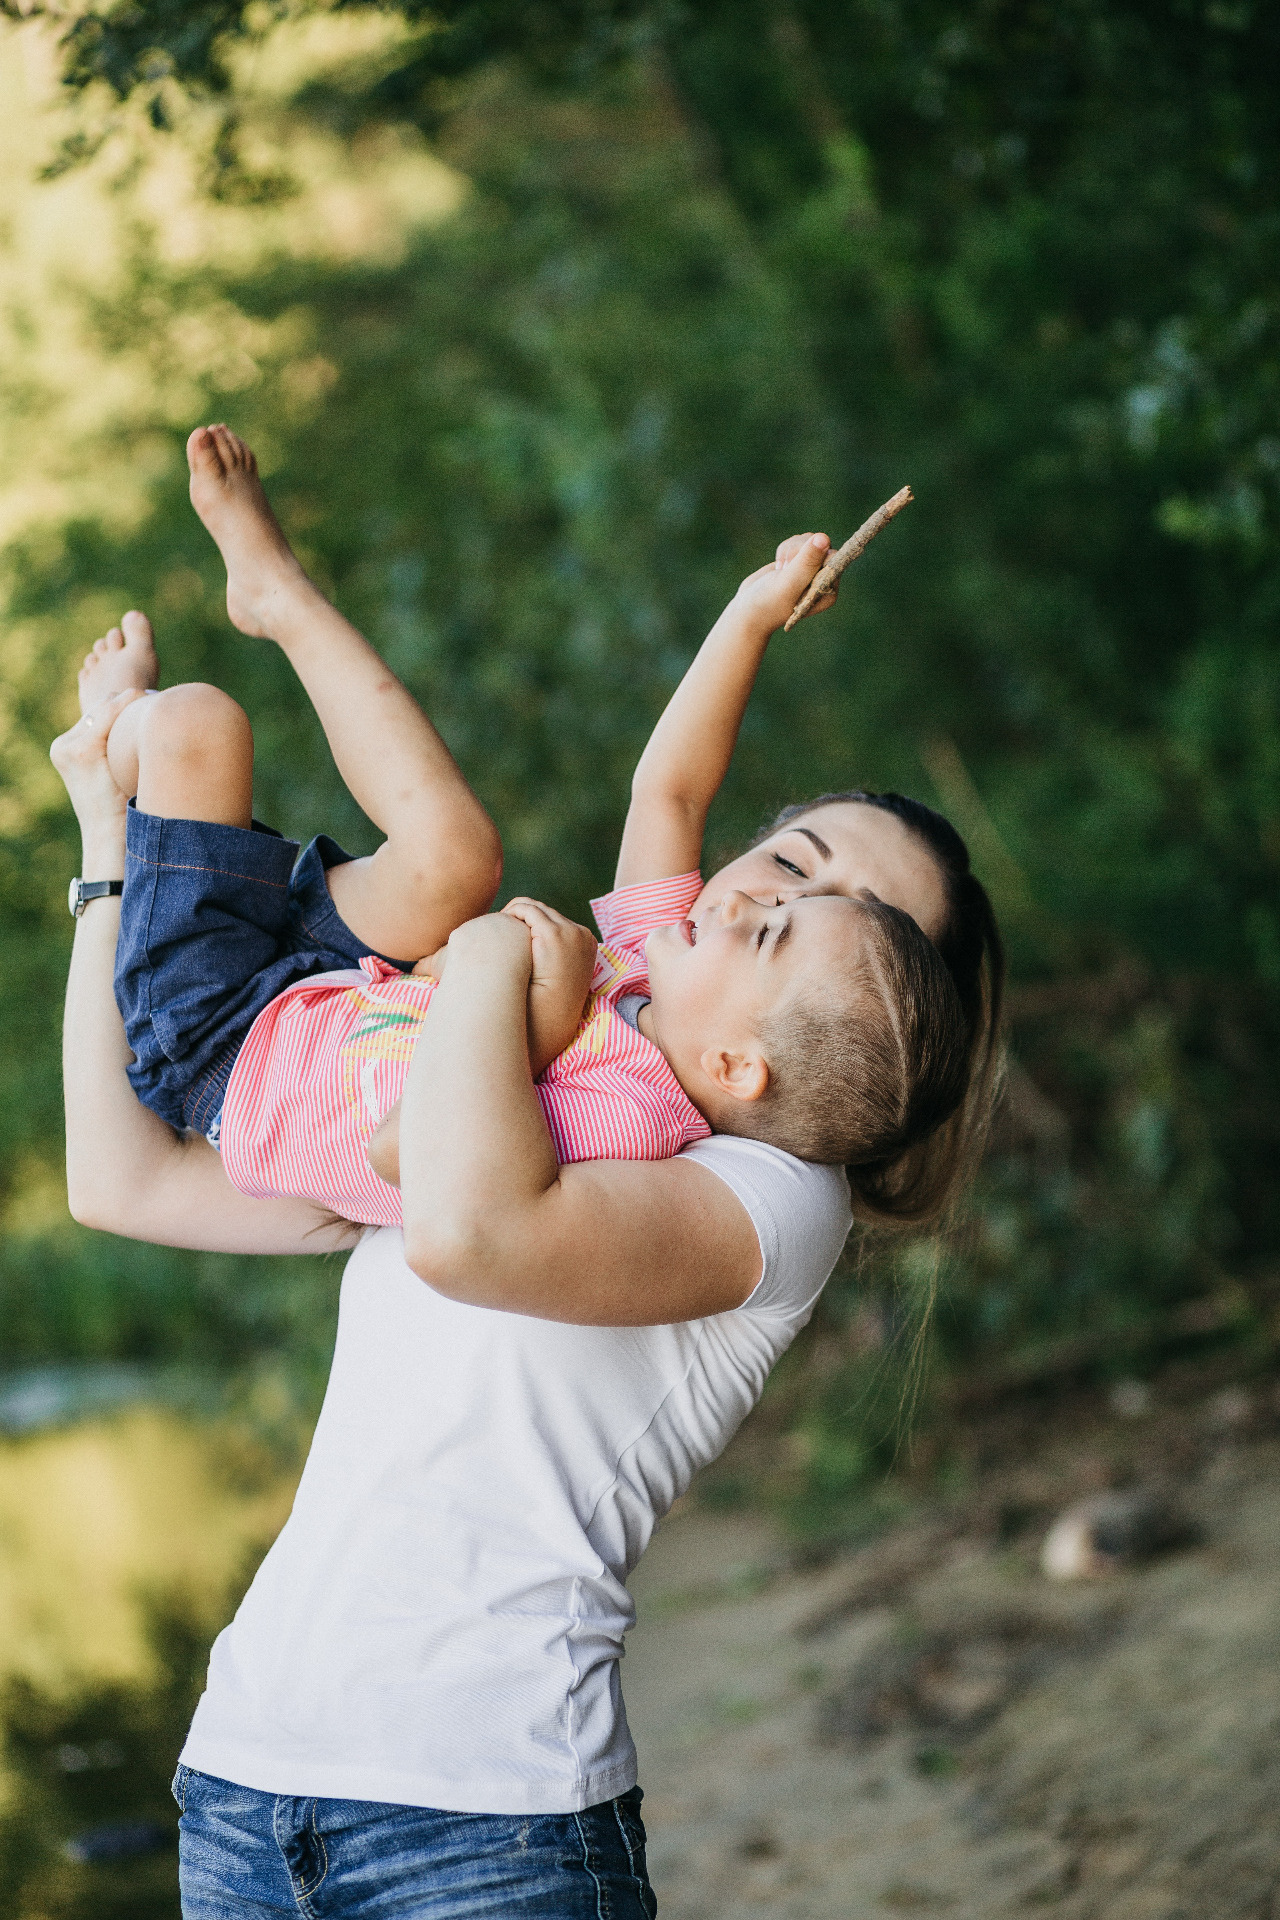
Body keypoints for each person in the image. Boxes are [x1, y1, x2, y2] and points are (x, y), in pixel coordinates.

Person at [52, 511, 1002, 1920]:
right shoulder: (552, 1075)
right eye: (788, 864)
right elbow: (119, 1183)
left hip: (484, 1827)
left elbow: (465, 1230)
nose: (773, 904)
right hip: (248, 1783)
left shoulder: (772, 1198)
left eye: (863, 925)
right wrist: (108, 849)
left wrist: (496, 957)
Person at [84, 427, 979, 1234]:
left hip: (223, 1047)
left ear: (740, 1065)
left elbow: (409, 1154)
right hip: (327, 990)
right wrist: (749, 615)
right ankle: (272, 589)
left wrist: (541, 1030)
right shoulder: (650, 969)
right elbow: (669, 792)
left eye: (783, 931)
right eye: (788, 867)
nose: (756, 902)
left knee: (196, 724)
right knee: (457, 852)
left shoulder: (630, 1117)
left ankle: (112, 728)